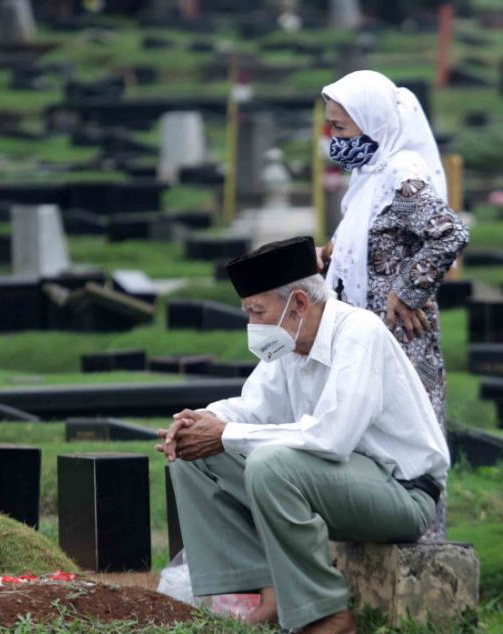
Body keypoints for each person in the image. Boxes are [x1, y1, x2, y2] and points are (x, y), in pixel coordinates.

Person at [157, 236, 450, 634]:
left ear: (297, 303)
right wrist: (201, 421)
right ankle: (271, 591)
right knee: (195, 455)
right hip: (340, 482)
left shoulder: (358, 332)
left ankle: (326, 613)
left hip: (402, 494)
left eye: (257, 312)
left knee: (269, 463)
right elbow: (250, 407)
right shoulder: (290, 345)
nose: (252, 325)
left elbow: (331, 438)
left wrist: (226, 434)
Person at [320, 70, 469, 539]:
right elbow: (370, 241)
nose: (334, 140)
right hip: (367, 337)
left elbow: (449, 234)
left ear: (374, 124)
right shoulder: (371, 178)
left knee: (408, 442)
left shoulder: (402, 177)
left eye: (341, 129)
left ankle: (422, 548)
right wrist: (328, 255)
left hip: (403, 340)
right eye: (331, 128)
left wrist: (407, 290)